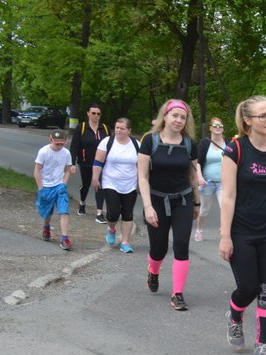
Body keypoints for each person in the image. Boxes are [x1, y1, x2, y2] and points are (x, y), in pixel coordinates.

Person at [219, 95, 266, 355]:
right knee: (248, 287)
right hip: (241, 230)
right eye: (264, 116)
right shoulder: (235, 149)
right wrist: (225, 236)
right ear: (248, 121)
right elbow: (228, 196)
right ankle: (235, 316)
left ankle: (263, 346)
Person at [137, 99, 201, 311]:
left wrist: (197, 202)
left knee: (182, 245)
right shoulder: (150, 141)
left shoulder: (189, 143)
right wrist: (147, 207)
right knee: (159, 248)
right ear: (165, 116)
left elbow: (193, 175)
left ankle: (177, 294)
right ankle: (153, 270)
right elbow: (143, 177)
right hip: (155, 199)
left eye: (183, 117)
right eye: (175, 115)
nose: (179, 120)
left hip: (182, 200)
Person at [91, 117, 139, 253]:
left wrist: (142, 182)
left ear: (129, 131)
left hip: (130, 184)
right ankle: (111, 229)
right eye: (117, 127)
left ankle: (125, 242)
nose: (118, 130)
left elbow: (140, 165)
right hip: (110, 182)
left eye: (122, 128)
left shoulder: (136, 144)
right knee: (113, 213)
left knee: (127, 214)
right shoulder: (107, 142)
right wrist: (95, 177)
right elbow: (98, 161)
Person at [69, 103, 110, 223]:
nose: (96, 116)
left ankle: (99, 213)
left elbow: (111, 145)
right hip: (85, 162)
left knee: (99, 185)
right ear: (88, 113)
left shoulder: (105, 129)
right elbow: (74, 146)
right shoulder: (81, 127)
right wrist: (72, 163)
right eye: (93, 113)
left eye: (98, 113)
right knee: (86, 185)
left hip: (101, 163)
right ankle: (82, 203)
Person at [33, 130, 74, 250]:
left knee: (64, 210)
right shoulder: (43, 152)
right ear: (51, 139)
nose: (59, 146)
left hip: (59, 185)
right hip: (46, 185)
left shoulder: (66, 153)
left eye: (62, 144)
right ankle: (46, 227)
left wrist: (64, 184)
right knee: (48, 210)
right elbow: (37, 170)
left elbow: (67, 169)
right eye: (57, 144)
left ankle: (65, 238)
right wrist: (41, 188)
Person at [195, 116, 227, 242]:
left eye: (220, 126)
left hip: (222, 183)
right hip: (206, 183)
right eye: (215, 126)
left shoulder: (228, 143)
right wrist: (200, 178)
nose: (218, 128)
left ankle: (224, 230)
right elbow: (197, 162)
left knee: (225, 207)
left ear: (223, 128)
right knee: (204, 210)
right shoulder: (205, 143)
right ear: (211, 128)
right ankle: (199, 230)